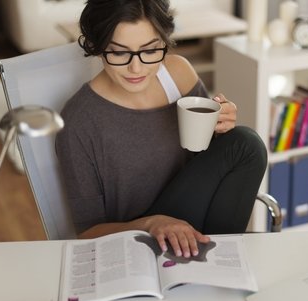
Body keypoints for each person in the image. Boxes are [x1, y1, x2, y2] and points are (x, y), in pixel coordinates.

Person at [55, 0, 267, 259]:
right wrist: (151, 223)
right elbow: (87, 234)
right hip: (138, 242)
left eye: (150, 50)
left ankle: (213, 261)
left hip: (195, 225)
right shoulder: (79, 121)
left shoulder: (177, 75)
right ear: (98, 47)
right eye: (119, 52)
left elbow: (207, 158)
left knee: (245, 144)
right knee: (245, 144)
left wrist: (221, 124)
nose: (137, 68)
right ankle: (214, 261)